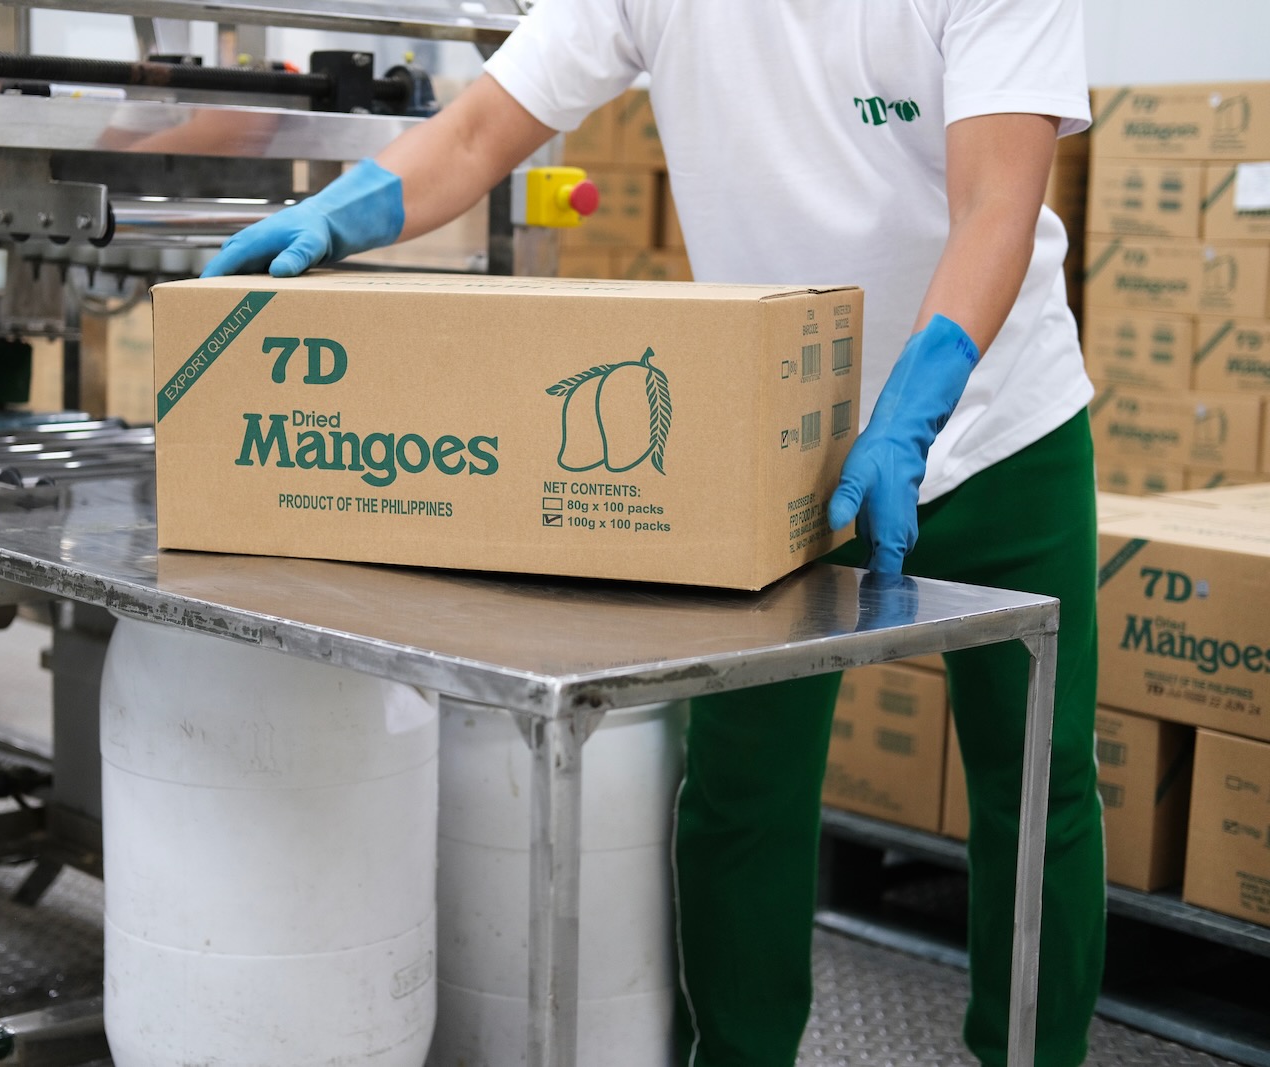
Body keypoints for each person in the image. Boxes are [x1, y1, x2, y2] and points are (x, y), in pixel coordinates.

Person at [205, 1, 1105, 1063]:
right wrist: (350, 207)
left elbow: (997, 203)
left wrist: (910, 411)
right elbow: (478, 131)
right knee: (742, 786)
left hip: (998, 421)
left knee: (1036, 780)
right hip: (775, 431)